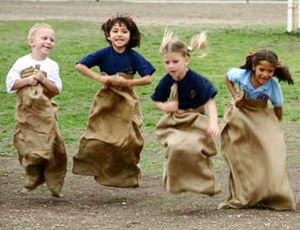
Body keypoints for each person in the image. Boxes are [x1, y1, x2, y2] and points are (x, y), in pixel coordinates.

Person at [72, 15, 155, 188]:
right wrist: (100, 78)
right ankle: (95, 166)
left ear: (130, 36)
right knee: (99, 136)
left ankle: (129, 174)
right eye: (115, 31)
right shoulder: (103, 54)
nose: (119, 34)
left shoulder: (133, 56)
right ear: (108, 35)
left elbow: (148, 78)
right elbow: (80, 65)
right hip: (106, 101)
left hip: (127, 101)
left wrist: (128, 82)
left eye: (124, 31)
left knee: (131, 140)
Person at [219, 49, 295, 210]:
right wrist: (235, 96)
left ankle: (271, 192)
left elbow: (278, 107)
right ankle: (245, 192)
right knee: (243, 154)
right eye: (262, 70)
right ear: (254, 66)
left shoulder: (272, 86)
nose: (265, 75)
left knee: (268, 154)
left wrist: (274, 129)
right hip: (241, 114)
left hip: (260, 114)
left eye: (270, 71)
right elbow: (228, 77)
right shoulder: (242, 75)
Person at [151, 29, 221, 195]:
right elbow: (156, 99)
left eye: (175, 61)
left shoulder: (196, 80)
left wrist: (213, 123)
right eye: (167, 63)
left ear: (186, 60)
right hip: (175, 121)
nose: (171, 66)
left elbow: (209, 101)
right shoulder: (167, 80)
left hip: (196, 119)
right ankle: (175, 182)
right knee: (176, 147)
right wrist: (166, 107)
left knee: (195, 147)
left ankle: (205, 184)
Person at [6, 23, 67, 197]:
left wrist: (43, 79)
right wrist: (27, 81)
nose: (48, 42)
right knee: (26, 145)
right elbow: (10, 85)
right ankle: (32, 174)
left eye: (52, 39)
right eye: (44, 38)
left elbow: (56, 89)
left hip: (46, 113)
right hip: (26, 113)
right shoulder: (22, 62)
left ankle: (54, 181)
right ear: (31, 41)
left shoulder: (52, 65)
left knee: (51, 147)